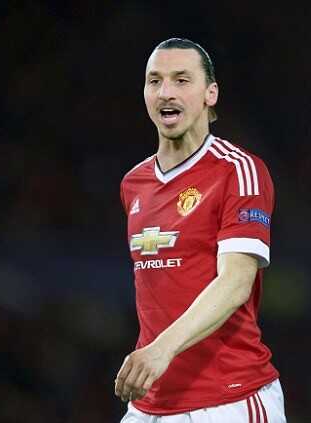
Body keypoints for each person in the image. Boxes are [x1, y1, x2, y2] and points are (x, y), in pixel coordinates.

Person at [115, 38, 286, 423]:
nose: (165, 92)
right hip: (149, 405)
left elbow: (236, 282)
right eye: (154, 81)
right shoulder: (133, 184)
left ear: (210, 93)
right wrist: (154, 356)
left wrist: (162, 350)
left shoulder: (239, 171)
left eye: (181, 80)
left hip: (229, 401)